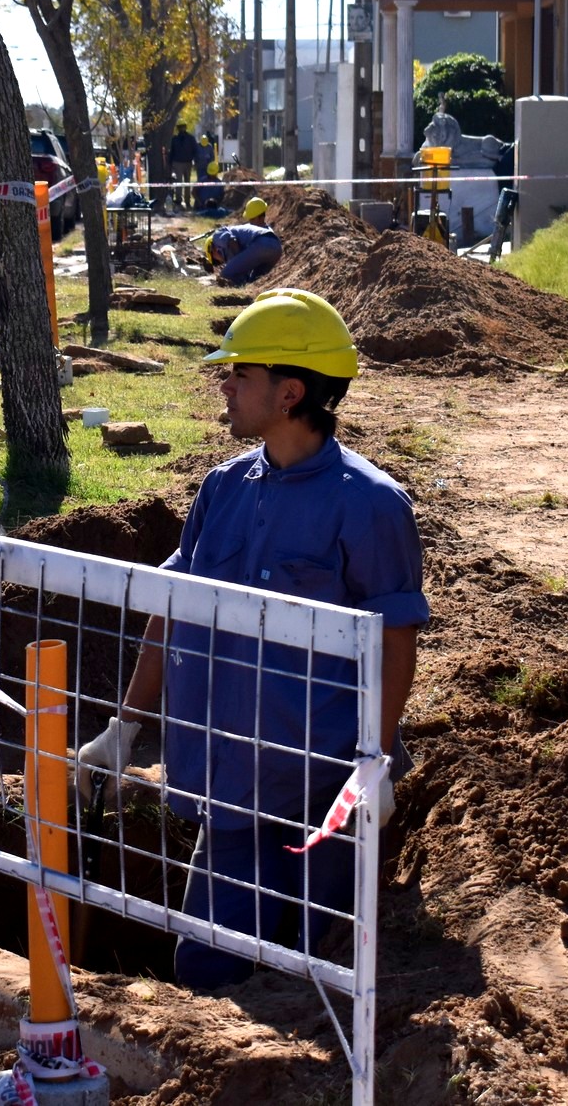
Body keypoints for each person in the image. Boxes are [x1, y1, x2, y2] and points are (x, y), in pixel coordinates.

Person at [77, 289, 427, 988]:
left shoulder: (371, 505)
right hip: (230, 787)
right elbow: (169, 606)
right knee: (206, 967)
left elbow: (396, 642)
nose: (224, 384)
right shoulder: (223, 489)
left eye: (240, 373)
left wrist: (377, 760)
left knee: (313, 976)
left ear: (291, 391)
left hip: (320, 795)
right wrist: (125, 725)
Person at [205, 221, 281, 286]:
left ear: (212, 249)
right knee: (253, 282)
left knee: (225, 275)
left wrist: (235, 262)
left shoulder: (216, 237)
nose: (221, 262)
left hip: (261, 242)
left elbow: (232, 240)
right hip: (276, 248)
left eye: (216, 261)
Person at [168, 123, 198, 198]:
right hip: (178, 163)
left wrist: (195, 161)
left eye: (182, 127)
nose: (181, 129)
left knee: (186, 182)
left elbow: (195, 150)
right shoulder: (175, 139)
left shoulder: (190, 138)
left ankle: (187, 199)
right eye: (180, 127)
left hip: (187, 162)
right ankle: (179, 198)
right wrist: (170, 162)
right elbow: (172, 151)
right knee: (179, 182)